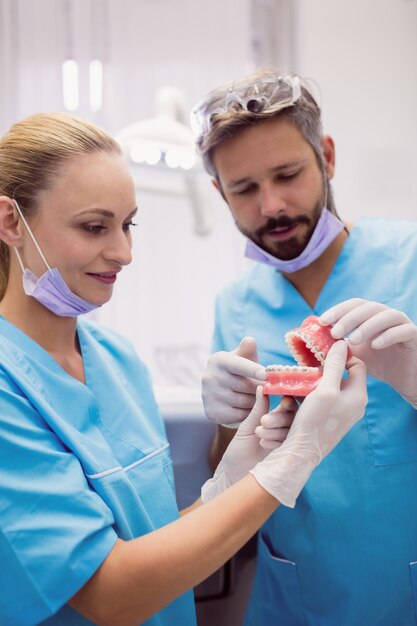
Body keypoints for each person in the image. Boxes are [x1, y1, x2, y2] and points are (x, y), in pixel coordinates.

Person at [0, 112, 367, 626]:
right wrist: (290, 465)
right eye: (93, 227)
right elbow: (112, 594)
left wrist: (232, 480)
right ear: (11, 223)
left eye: (128, 224)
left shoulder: (118, 360)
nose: (124, 253)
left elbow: (159, 548)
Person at [193, 68, 417, 625]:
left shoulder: (409, 261)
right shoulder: (235, 305)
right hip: (295, 591)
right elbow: (230, 479)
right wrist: (228, 424)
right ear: (220, 193)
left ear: (328, 158)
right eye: (244, 188)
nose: (271, 205)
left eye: (288, 174)